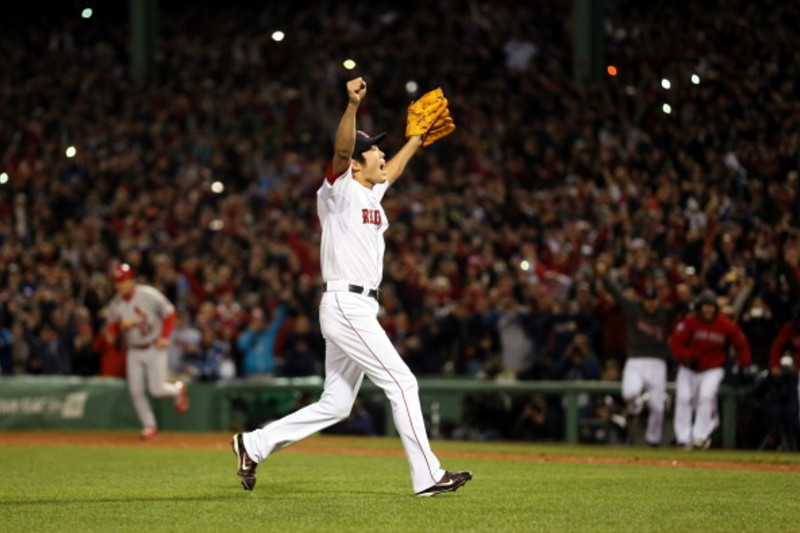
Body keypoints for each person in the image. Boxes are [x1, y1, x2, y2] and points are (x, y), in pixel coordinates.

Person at [231, 77, 471, 497]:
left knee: (337, 405)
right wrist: (351, 106)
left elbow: (392, 170)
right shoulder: (338, 190)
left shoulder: (372, 194)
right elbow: (342, 150)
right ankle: (428, 476)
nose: (381, 152)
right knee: (402, 383)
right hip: (346, 303)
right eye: (374, 148)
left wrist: (414, 139)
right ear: (357, 164)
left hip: (357, 307)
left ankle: (253, 444)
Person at [596, 260, 678, 446]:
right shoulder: (635, 309)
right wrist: (603, 276)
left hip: (658, 362)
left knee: (657, 406)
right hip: (636, 360)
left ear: (658, 300)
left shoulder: (665, 312)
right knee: (629, 393)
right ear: (643, 300)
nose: (650, 304)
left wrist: (677, 280)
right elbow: (617, 294)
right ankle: (636, 408)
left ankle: (653, 440)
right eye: (647, 301)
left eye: (653, 300)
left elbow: (681, 304)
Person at [105, 263, 190, 439]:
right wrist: (112, 334)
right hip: (134, 350)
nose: (119, 285)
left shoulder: (148, 295)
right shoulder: (116, 303)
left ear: (131, 280)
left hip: (154, 346)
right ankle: (150, 427)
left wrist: (165, 336)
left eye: (123, 281)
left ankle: (177, 390)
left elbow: (170, 312)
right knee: (135, 391)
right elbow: (113, 324)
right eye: (117, 282)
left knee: (156, 389)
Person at [669, 290, 751, 449]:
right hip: (688, 368)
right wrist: (686, 356)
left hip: (713, 367)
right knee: (683, 399)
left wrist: (743, 364)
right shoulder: (690, 322)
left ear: (715, 308)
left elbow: (741, 344)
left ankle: (700, 436)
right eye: (705, 306)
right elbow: (676, 344)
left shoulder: (725, 324)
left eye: (710, 306)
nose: (708, 310)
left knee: (706, 397)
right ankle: (683, 438)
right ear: (699, 307)